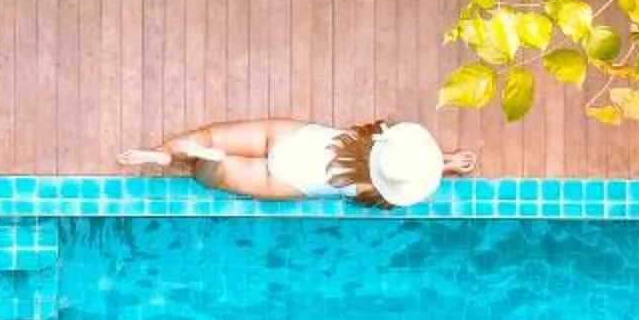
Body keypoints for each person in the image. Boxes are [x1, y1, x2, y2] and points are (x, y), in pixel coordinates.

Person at [118, 117, 477, 207]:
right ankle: (207, 163)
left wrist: (444, 159)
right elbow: (407, 173)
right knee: (213, 176)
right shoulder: (371, 190)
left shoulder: (377, 133)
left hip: (293, 137)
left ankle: (165, 154)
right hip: (290, 179)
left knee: (209, 135)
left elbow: (407, 151)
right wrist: (446, 168)